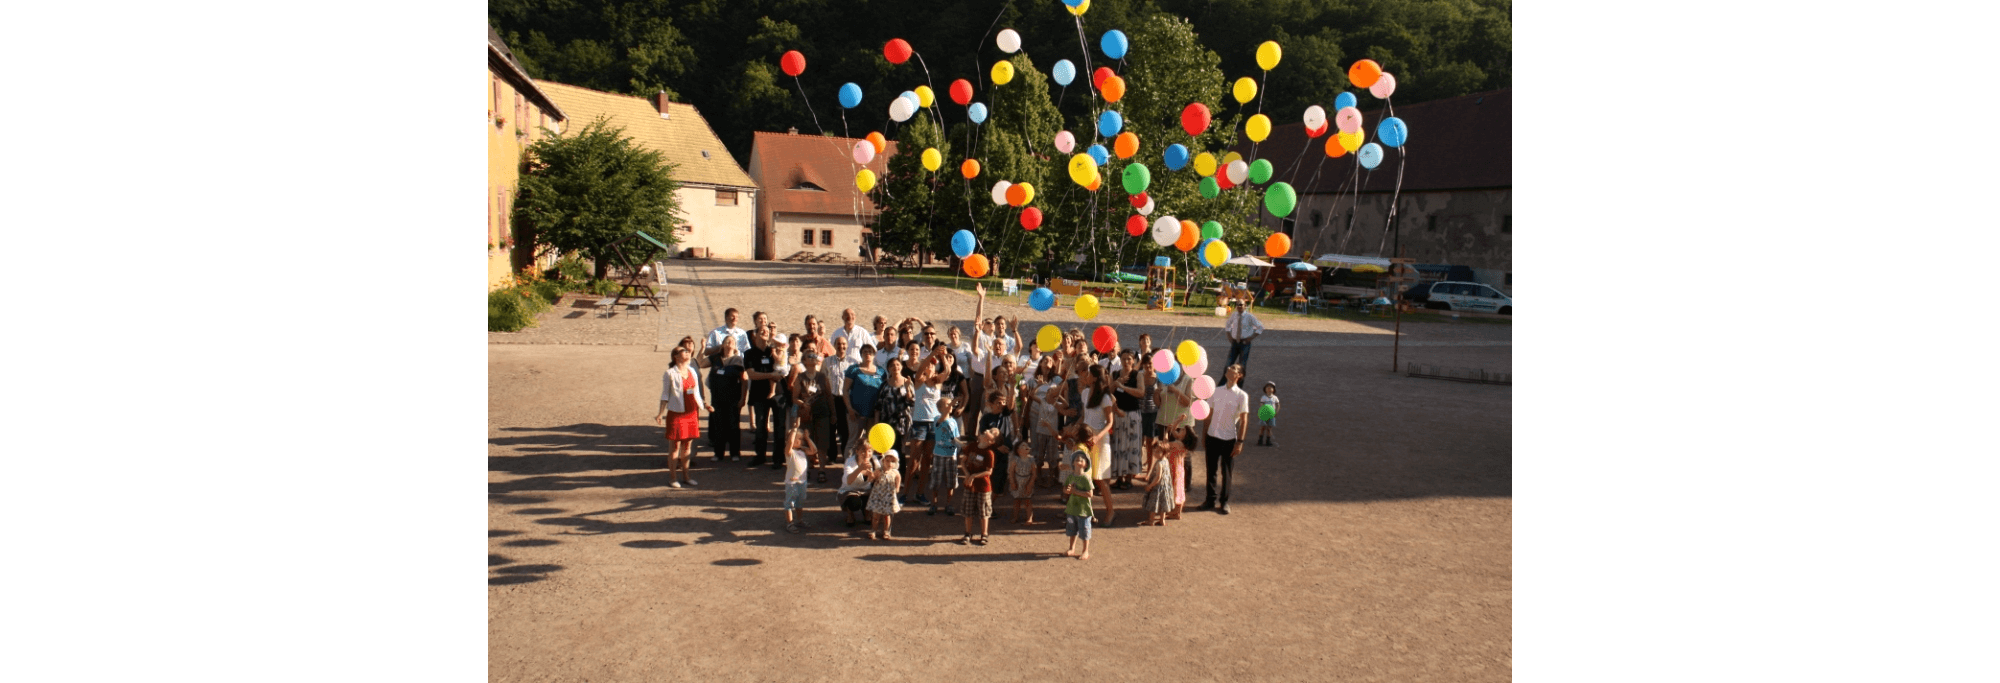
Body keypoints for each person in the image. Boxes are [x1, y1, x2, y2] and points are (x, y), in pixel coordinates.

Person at [653, 346, 710, 489]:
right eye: (683, 351)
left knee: (688, 446)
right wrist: (660, 413)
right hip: (677, 413)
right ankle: (673, 478)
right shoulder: (670, 373)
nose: (687, 351)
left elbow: (696, 391)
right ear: (676, 357)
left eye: (687, 350)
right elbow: (665, 394)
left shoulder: (692, 371)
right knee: (675, 447)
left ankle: (686, 476)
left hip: (691, 412)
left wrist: (704, 404)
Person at [1201, 363, 1251, 515]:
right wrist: (1205, 435)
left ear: (1239, 375)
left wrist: (1240, 442)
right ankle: (1210, 500)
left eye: (1235, 368)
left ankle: (1224, 502)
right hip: (1212, 436)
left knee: (1227, 472)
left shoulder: (1242, 396)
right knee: (1211, 470)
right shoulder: (1216, 391)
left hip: (1229, 439)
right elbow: (1208, 415)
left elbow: (1244, 420)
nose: (1230, 369)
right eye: (1230, 367)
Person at [1074, 365, 1120, 526]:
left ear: (1094, 377)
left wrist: (1097, 437)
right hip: (1085, 439)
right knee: (1083, 477)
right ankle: (1086, 513)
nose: (1084, 376)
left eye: (1087, 373)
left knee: (1101, 479)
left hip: (1101, 441)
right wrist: (1075, 428)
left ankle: (1111, 512)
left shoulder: (1106, 397)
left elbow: (1110, 422)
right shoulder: (1085, 393)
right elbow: (1084, 416)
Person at [872, 357, 915, 505]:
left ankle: (899, 479)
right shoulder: (884, 385)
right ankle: (885, 477)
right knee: (887, 452)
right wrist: (876, 425)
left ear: (901, 367)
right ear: (888, 368)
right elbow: (878, 405)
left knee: (900, 452)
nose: (895, 367)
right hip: (886, 423)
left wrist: (909, 387)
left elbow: (911, 401)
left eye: (897, 364)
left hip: (902, 423)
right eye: (892, 365)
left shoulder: (907, 382)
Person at [742, 324, 783, 468]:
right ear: (755, 334)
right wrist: (770, 375)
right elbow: (751, 374)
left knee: (779, 427)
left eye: (768, 330)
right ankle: (760, 456)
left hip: (777, 394)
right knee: (761, 426)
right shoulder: (749, 353)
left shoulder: (773, 351)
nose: (766, 332)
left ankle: (778, 458)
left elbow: (781, 366)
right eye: (763, 331)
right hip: (759, 394)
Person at [704, 333, 747, 463]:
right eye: (727, 341)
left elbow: (744, 380)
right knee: (718, 426)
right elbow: (700, 363)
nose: (730, 343)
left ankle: (735, 453)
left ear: (735, 346)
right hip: (717, 398)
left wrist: (743, 399)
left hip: (733, 397)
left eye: (732, 342)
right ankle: (718, 453)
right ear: (722, 345)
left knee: (733, 425)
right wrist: (702, 349)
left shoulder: (738, 360)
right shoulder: (716, 358)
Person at [792, 350, 835, 481]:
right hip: (807, 414)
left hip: (822, 413)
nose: (812, 358)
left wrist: (833, 413)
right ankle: (808, 469)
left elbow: (829, 396)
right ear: (804, 361)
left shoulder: (822, 377)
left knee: (822, 443)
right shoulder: (800, 378)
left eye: (814, 356)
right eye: (809, 356)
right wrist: (801, 403)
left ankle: (822, 470)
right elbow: (794, 397)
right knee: (807, 440)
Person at [1109, 349, 1146, 490]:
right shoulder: (1115, 374)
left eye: (1129, 359)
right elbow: (1108, 392)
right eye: (1123, 359)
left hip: (1132, 415)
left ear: (1133, 361)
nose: (1126, 362)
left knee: (1131, 446)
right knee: (1118, 446)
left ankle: (1129, 479)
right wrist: (1116, 383)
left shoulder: (1138, 375)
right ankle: (1119, 477)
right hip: (1118, 414)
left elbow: (1141, 393)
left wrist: (1123, 387)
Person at [844, 344, 884, 459]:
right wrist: (850, 409)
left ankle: (869, 468)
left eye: (870, 352)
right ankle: (849, 469)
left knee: (872, 442)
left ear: (874, 354)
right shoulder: (853, 369)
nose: (868, 354)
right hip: (856, 413)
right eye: (865, 352)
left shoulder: (881, 371)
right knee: (853, 442)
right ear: (861, 354)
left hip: (874, 414)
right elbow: (845, 390)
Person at [925, 389, 962, 516]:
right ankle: (934, 503)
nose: (950, 406)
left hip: (951, 455)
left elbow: (956, 438)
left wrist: (961, 448)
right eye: (947, 404)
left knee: (951, 480)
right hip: (939, 454)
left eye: (951, 405)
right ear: (940, 408)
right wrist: (952, 404)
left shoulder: (954, 422)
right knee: (936, 479)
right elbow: (942, 421)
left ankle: (949, 504)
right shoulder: (937, 419)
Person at [960, 429, 996, 545]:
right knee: (968, 510)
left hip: (983, 486)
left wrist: (974, 476)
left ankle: (984, 534)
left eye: (991, 431)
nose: (987, 430)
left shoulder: (989, 453)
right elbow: (963, 462)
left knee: (983, 511)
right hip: (970, 484)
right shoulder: (972, 446)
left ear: (991, 440)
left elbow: (989, 472)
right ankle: (967, 533)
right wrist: (967, 475)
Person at [823, 336, 854, 466]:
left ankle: (846, 455)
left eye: (843, 344)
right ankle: (831, 456)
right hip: (831, 398)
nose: (841, 346)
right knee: (831, 428)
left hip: (845, 399)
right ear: (834, 346)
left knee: (845, 429)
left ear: (847, 346)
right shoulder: (827, 361)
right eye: (838, 344)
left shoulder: (853, 362)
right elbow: (823, 380)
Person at [1061, 451, 1094, 561]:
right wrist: (1068, 490)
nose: (1079, 461)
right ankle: (1072, 548)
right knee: (1072, 529)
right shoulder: (1070, 477)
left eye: (1081, 460)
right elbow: (1065, 490)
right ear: (1073, 463)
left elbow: (1090, 494)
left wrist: (1075, 492)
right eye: (1076, 459)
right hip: (1072, 508)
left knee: (1085, 529)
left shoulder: (1086, 478)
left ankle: (1085, 551)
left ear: (1085, 464)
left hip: (1084, 510)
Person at [782, 429, 816, 533]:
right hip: (792, 482)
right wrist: (794, 430)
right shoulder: (789, 452)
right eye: (799, 438)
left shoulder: (802, 451)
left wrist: (807, 438)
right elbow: (790, 443)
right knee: (789, 503)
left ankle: (799, 520)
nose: (801, 441)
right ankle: (790, 523)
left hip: (802, 482)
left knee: (800, 502)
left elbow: (814, 450)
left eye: (801, 439)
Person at [1222, 298, 1264, 378]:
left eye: (1241, 304)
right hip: (1235, 342)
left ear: (1245, 306)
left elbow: (1260, 327)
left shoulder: (1249, 317)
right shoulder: (1234, 315)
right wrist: (1229, 336)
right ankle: (1224, 384)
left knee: (1242, 366)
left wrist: (1251, 337)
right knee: (1228, 364)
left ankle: (1239, 384)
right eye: (1237, 304)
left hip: (1244, 343)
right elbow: (1228, 324)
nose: (1239, 306)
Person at [838, 442, 876, 528]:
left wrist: (872, 476)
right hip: (850, 490)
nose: (867, 454)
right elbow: (849, 481)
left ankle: (867, 512)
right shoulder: (849, 461)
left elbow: (879, 478)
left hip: (866, 491)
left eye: (869, 451)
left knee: (878, 494)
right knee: (855, 503)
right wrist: (859, 469)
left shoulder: (874, 460)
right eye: (863, 450)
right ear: (857, 451)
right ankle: (849, 512)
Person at [866, 451, 903, 540]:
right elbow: (870, 480)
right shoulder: (878, 471)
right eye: (887, 460)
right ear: (883, 461)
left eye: (892, 461)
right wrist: (871, 476)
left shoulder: (895, 472)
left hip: (889, 497)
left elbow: (898, 479)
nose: (890, 463)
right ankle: (873, 530)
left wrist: (897, 488)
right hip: (878, 496)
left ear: (896, 462)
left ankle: (886, 531)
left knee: (887, 516)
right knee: (876, 515)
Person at [1142, 437, 1173, 526]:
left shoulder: (1159, 463)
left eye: (1157, 452)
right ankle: (1162, 520)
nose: (1155, 453)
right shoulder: (1166, 461)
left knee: (1153, 504)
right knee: (1163, 504)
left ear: (1164, 453)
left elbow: (1158, 477)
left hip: (1158, 487)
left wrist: (1150, 485)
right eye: (1154, 451)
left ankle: (1151, 520)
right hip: (1166, 487)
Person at [1256, 381, 1280, 447]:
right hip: (1264, 415)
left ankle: (1268, 441)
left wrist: (1276, 411)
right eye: (1267, 387)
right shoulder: (1263, 397)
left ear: (1274, 389)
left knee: (1269, 428)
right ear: (1265, 389)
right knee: (1262, 427)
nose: (1269, 388)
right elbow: (1261, 404)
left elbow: (1278, 405)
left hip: (1272, 415)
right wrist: (1262, 408)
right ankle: (1260, 440)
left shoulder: (1275, 398)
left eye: (1271, 387)